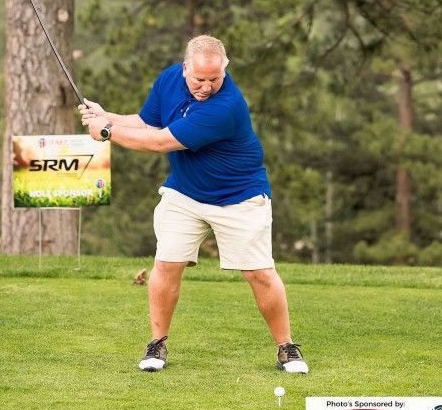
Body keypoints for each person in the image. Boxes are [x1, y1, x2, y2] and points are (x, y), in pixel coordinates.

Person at [79, 34, 308, 375]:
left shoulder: (226, 106)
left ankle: (286, 347)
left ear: (224, 69)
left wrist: (108, 131)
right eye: (199, 79)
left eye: (214, 79)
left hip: (239, 197)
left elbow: (160, 142)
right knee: (167, 264)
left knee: (258, 273)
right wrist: (106, 116)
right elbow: (146, 124)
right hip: (185, 194)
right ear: (185, 68)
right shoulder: (169, 79)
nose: (205, 86)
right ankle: (157, 343)